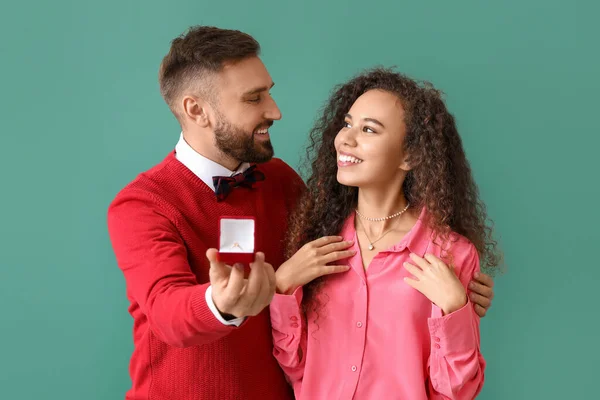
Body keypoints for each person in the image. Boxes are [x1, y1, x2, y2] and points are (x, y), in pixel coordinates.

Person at [107, 25, 496, 400]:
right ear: (197, 110)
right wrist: (222, 302)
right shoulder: (143, 205)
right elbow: (167, 311)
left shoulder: (282, 182)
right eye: (253, 98)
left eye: (269, 93)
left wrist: (458, 304)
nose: (275, 111)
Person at [270, 68, 503, 399]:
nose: (345, 139)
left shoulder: (451, 254)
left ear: (410, 155)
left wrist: (454, 307)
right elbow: (295, 366)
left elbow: (458, 389)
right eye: (347, 124)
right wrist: (282, 287)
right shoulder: (317, 245)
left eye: (368, 129)